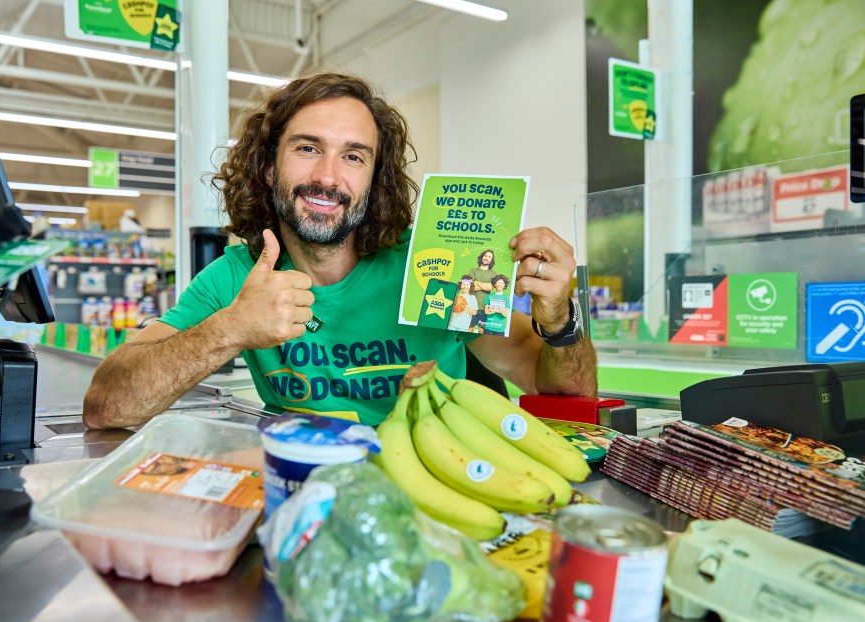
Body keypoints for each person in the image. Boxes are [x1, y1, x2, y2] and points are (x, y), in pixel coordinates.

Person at [83, 72, 597, 428]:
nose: (328, 177)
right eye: (307, 148)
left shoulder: (431, 264)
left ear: (375, 180)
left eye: (354, 157)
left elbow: (568, 395)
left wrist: (560, 321)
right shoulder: (236, 278)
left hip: (444, 492)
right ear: (268, 166)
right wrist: (232, 327)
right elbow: (106, 406)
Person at [467, 249, 499, 331]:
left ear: (491, 260)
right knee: (470, 329)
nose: (487, 258)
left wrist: (476, 282)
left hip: (485, 307)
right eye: (485, 256)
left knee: (482, 331)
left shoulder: (493, 273)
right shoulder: (473, 270)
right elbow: (470, 287)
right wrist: (485, 286)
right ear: (482, 257)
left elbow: (490, 287)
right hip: (472, 306)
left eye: (489, 257)